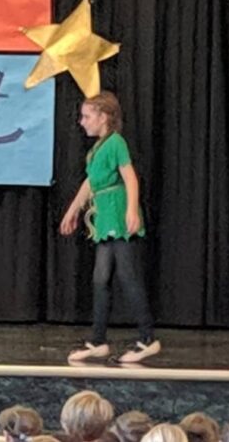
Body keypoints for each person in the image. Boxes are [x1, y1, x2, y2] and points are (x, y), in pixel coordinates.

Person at [60, 91, 160, 364]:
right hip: (105, 219)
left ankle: (148, 338)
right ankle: (98, 339)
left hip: (117, 214)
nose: (82, 122)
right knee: (100, 278)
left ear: (103, 117)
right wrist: (72, 210)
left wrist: (131, 209)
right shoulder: (97, 149)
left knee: (127, 275)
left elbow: (130, 177)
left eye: (86, 116)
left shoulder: (116, 142)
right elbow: (90, 183)